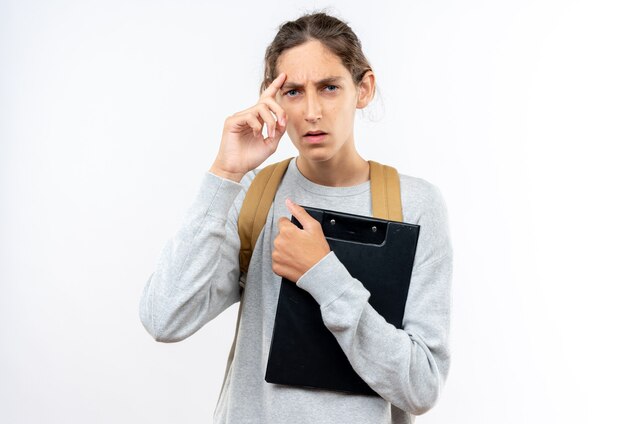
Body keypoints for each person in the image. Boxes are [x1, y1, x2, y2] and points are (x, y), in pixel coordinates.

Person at [139, 11, 453, 424]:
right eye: (292, 92)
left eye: (328, 87)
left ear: (363, 88)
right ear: (271, 98)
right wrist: (225, 173)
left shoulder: (414, 204)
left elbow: (421, 387)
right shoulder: (254, 192)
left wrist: (323, 273)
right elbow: (165, 317)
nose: (311, 111)